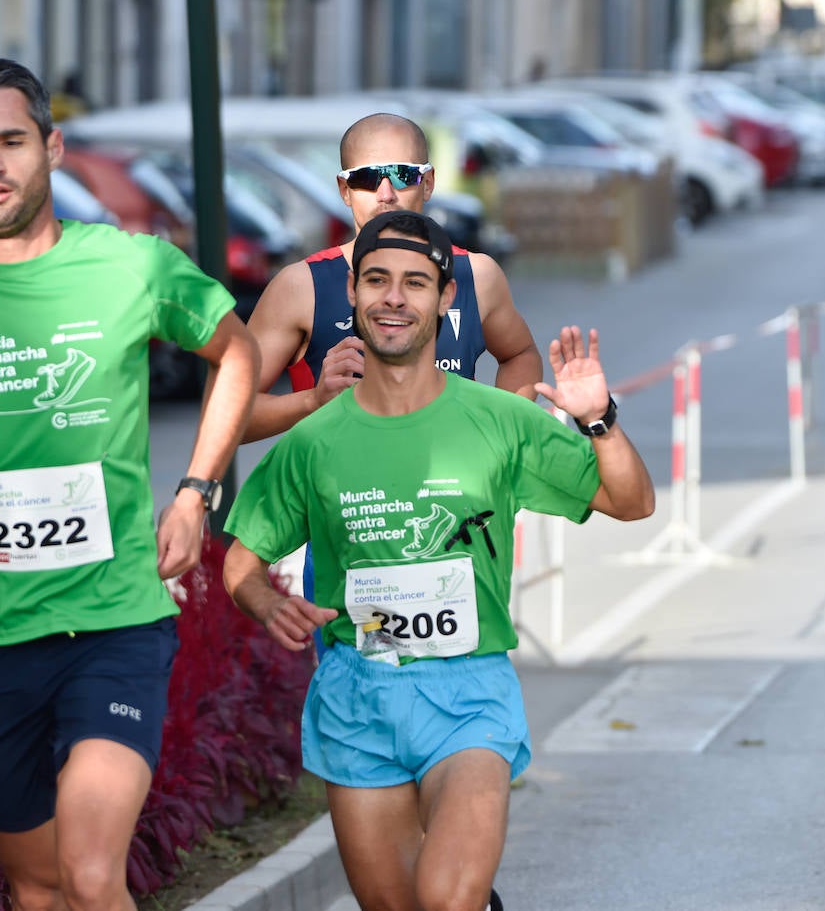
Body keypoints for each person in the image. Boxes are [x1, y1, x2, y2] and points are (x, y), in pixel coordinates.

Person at [0, 58, 260, 911]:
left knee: (92, 872)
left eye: (10, 142)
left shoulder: (132, 266)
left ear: (53, 147)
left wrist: (196, 492)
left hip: (114, 624)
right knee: (36, 888)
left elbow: (239, 352)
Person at [222, 211, 654, 911]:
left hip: (468, 696)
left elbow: (632, 502)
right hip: (357, 696)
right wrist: (267, 602)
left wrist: (598, 420)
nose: (395, 298)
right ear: (353, 298)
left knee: (448, 899)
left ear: (446, 299)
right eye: (378, 282)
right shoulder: (314, 440)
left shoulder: (500, 420)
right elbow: (241, 562)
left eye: (415, 283)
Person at [241, 112, 543, 445]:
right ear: (345, 189)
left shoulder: (476, 275)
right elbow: (230, 414)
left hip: (451, 493)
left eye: (401, 175)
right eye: (368, 179)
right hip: (345, 493)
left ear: (427, 183)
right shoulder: (301, 286)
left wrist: (502, 435)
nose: (386, 193)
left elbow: (520, 355)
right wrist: (312, 401)